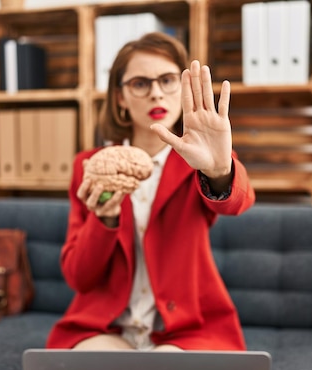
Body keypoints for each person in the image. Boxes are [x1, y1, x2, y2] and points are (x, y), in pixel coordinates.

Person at [45, 31, 255, 351]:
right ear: (120, 97)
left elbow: (238, 203)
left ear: (183, 88)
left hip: (183, 331)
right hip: (108, 328)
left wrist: (218, 170)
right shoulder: (89, 166)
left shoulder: (199, 160)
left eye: (167, 80)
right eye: (140, 83)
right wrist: (105, 221)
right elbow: (79, 278)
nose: (156, 93)